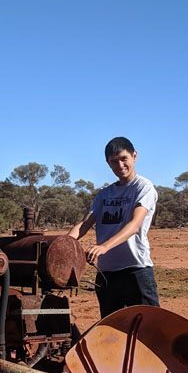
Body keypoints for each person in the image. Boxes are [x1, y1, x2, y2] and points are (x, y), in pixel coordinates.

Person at [68, 136, 160, 318]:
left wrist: (104, 247)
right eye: (114, 161)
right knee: (112, 330)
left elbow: (134, 225)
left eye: (124, 159)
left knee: (149, 326)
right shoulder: (104, 194)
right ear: (108, 163)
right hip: (106, 273)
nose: (120, 165)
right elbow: (85, 224)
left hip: (136, 269)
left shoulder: (143, 187)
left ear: (134, 156)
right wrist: (63, 244)